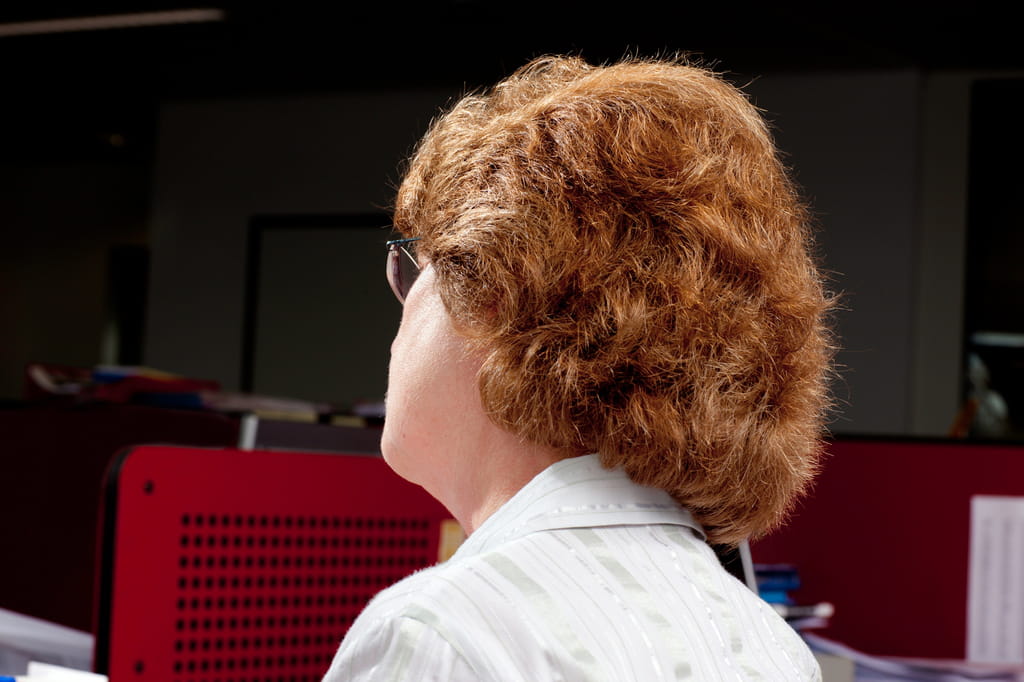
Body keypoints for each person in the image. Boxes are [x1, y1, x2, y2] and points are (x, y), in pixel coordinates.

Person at [323, 55, 833, 681]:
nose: (398, 327)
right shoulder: (768, 645)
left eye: (415, 266)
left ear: (493, 295)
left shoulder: (447, 632)